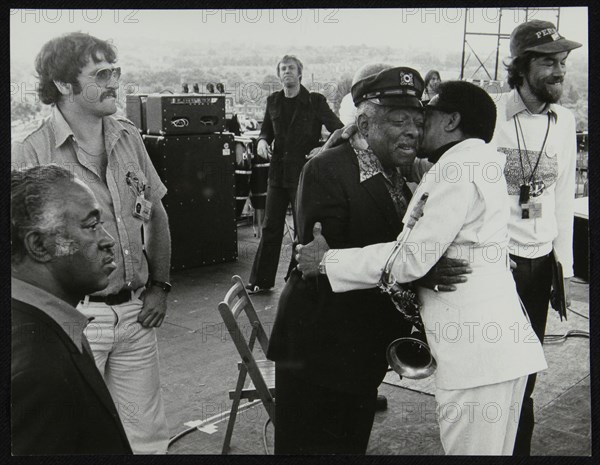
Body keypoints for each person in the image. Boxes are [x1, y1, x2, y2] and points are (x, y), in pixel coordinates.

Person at [296, 81, 548, 455]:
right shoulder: (478, 162)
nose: (416, 128)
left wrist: (330, 261)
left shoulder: (456, 170)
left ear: (451, 120)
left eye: (424, 115)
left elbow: (412, 259)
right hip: (499, 355)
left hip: (476, 362)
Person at [268, 66, 468, 454]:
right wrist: (418, 271)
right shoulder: (326, 169)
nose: (411, 130)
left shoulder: (395, 169)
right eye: (398, 120)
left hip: (357, 355)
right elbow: (324, 266)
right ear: (364, 121)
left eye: (417, 120)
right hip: (319, 353)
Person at [12, 32, 172, 454]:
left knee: (149, 440)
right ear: (64, 85)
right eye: (102, 74)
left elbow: (155, 211)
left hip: (137, 315)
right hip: (72, 320)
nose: (115, 81)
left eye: (116, 70)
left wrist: (160, 285)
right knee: (76, 440)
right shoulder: (30, 151)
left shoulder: (127, 136)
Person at [493, 20, 582, 455]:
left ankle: (517, 451)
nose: (559, 71)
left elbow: (563, 199)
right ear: (523, 66)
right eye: (549, 62)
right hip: (497, 264)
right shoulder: (489, 114)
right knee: (494, 372)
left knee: (526, 373)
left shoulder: (563, 122)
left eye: (562, 62)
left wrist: (559, 267)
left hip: (540, 263)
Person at [11, 165, 133, 455]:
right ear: (40, 245)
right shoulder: (37, 371)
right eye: (91, 226)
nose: (108, 240)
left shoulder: (41, 327)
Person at [246, 54, 343, 294]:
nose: (287, 72)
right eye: (283, 69)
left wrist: (323, 148)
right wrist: (261, 142)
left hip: (304, 174)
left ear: (300, 73)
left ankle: (296, 277)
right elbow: (265, 132)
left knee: (302, 229)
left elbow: (339, 130)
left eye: (291, 68)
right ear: (279, 75)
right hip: (277, 174)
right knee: (271, 227)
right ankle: (261, 280)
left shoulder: (315, 101)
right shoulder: (273, 101)